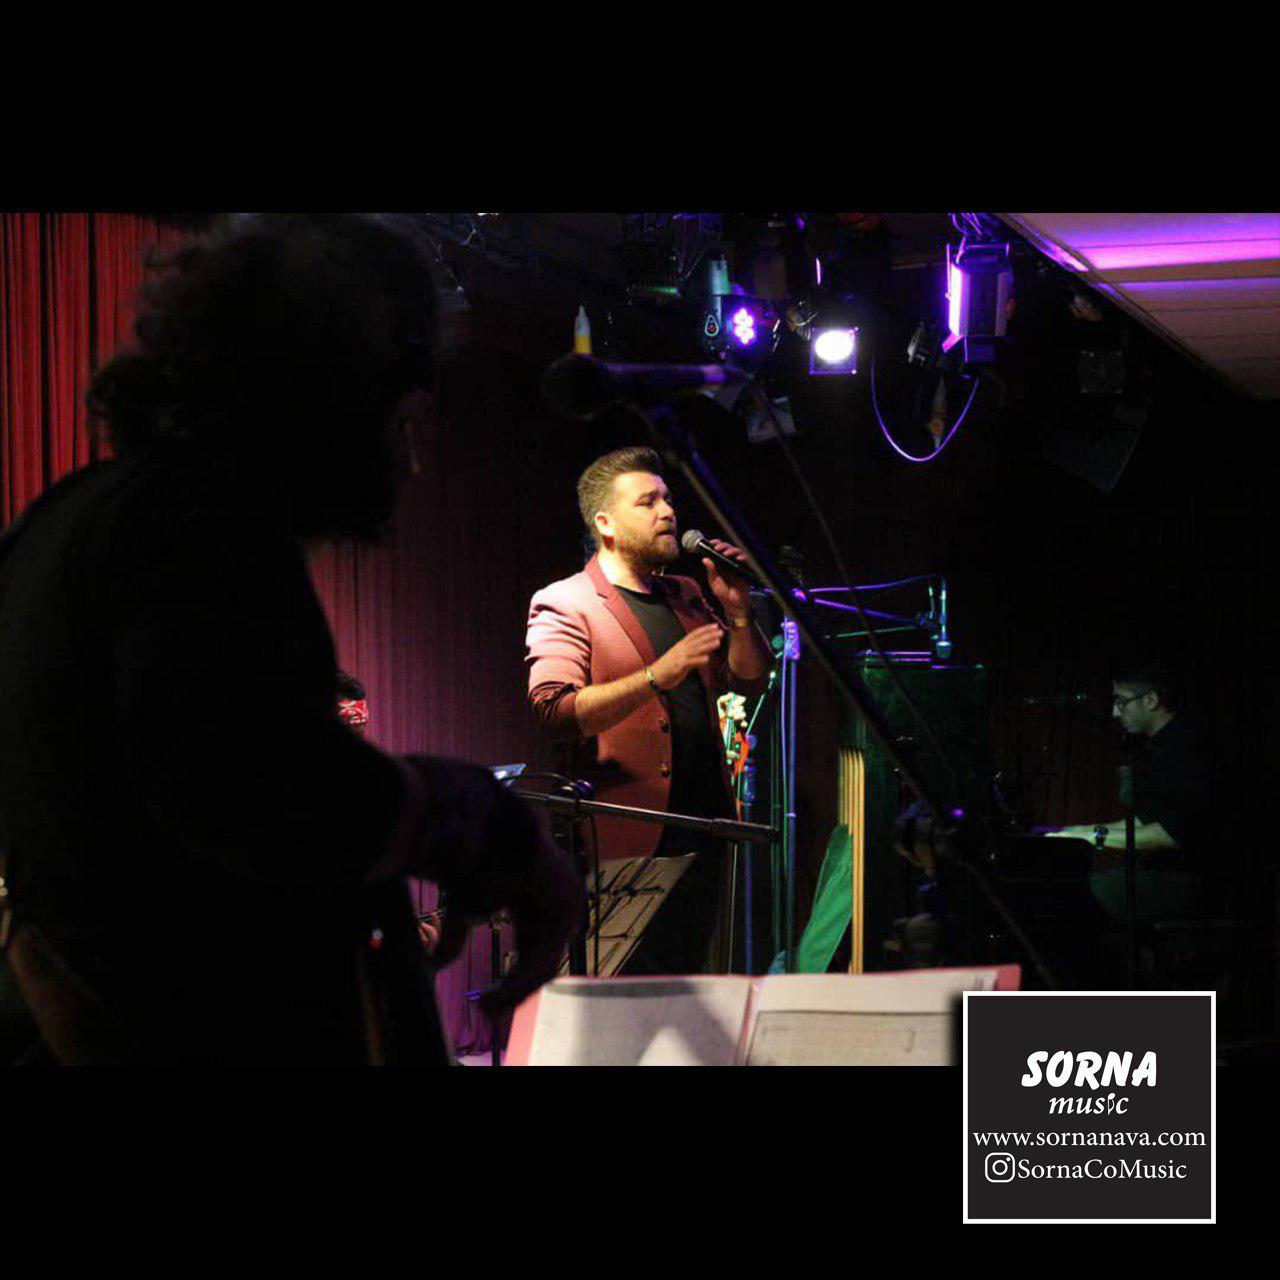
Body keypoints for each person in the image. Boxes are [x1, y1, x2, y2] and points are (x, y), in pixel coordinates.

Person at [0, 213, 582, 1065]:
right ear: (325, 380)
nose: (409, 454)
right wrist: (490, 830)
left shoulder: (76, 518)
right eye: (396, 398)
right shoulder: (193, 527)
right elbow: (262, 787)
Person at [525, 446, 770, 974]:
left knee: (693, 991)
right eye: (647, 502)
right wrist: (657, 675)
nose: (667, 512)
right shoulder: (565, 601)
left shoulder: (686, 594)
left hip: (704, 829)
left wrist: (738, 613)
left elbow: (748, 681)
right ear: (605, 523)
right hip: (628, 842)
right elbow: (555, 711)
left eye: (667, 499)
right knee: (626, 997)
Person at [1046, 662, 1216, 926]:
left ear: (1151, 700)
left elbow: (1173, 833)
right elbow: (1147, 820)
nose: (1115, 712)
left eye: (1121, 702)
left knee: (1068, 899)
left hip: (1191, 878)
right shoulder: (1158, 748)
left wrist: (1091, 837)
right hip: (1162, 871)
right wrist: (1080, 831)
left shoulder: (1187, 750)